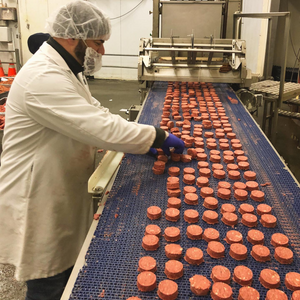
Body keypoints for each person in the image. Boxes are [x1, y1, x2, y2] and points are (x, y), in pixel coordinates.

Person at [0, 1, 184, 299]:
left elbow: (95, 112)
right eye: (98, 42)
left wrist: (141, 140)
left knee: (66, 268)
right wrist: (156, 136)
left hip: (59, 184)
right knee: (48, 278)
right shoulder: (42, 77)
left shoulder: (67, 69)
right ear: (73, 36)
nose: (101, 51)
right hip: (36, 196)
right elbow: (98, 128)